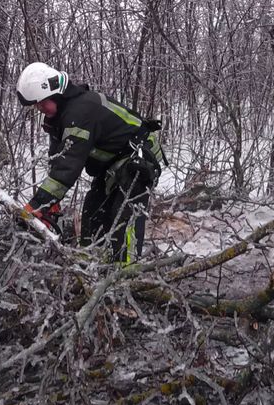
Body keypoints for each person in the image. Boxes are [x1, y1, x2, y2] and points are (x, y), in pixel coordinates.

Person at [16, 62, 165, 264]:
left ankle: (127, 272)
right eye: (37, 105)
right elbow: (59, 160)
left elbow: (69, 166)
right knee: (93, 213)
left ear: (55, 94)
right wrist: (51, 202)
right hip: (113, 164)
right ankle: (92, 265)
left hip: (139, 158)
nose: (40, 109)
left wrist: (38, 204)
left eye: (42, 103)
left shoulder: (81, 112)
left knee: (124, 216)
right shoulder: (60, 118)